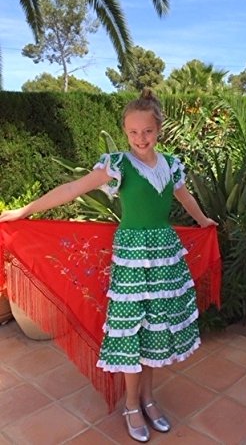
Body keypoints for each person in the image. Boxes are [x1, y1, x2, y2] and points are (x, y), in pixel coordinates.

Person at [0, 89, 217, 442]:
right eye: (132, 132)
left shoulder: (172, 165)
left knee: (155, 329)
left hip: (164, 254)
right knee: (131, 331)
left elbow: (184, 196)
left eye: (146, 131)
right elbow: (72, 187)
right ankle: (131, 404)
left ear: (158, 129)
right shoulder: (118, 165)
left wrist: (204, 220)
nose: (139, 139)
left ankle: (148, 397)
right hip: (132, 256)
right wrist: (26, 211)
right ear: (124, 132)